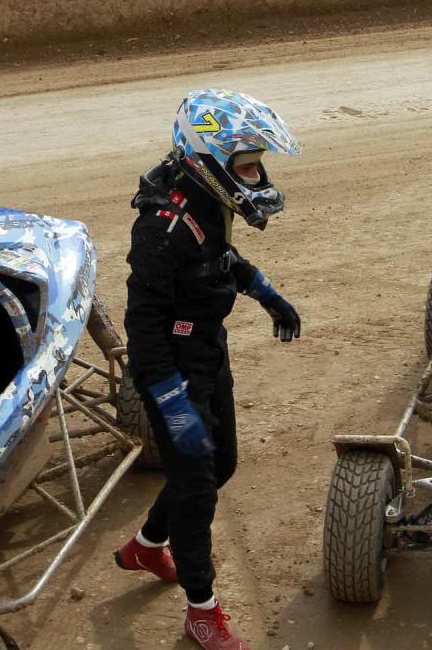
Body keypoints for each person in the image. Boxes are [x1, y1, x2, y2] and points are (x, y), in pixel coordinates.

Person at [115, 89, 302, 650]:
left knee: (221, 466)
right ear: (210, 160)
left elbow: (218, 258)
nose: (257, 175)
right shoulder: (160, 225)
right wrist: (170, 402)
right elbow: (141, 323)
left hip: (206, 352)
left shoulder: (206, 196)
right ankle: (203, 610)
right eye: (247, 166)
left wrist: (266, 293)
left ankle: (147, 546)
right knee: (197, 487)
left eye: (257, 164)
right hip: (171, 367)